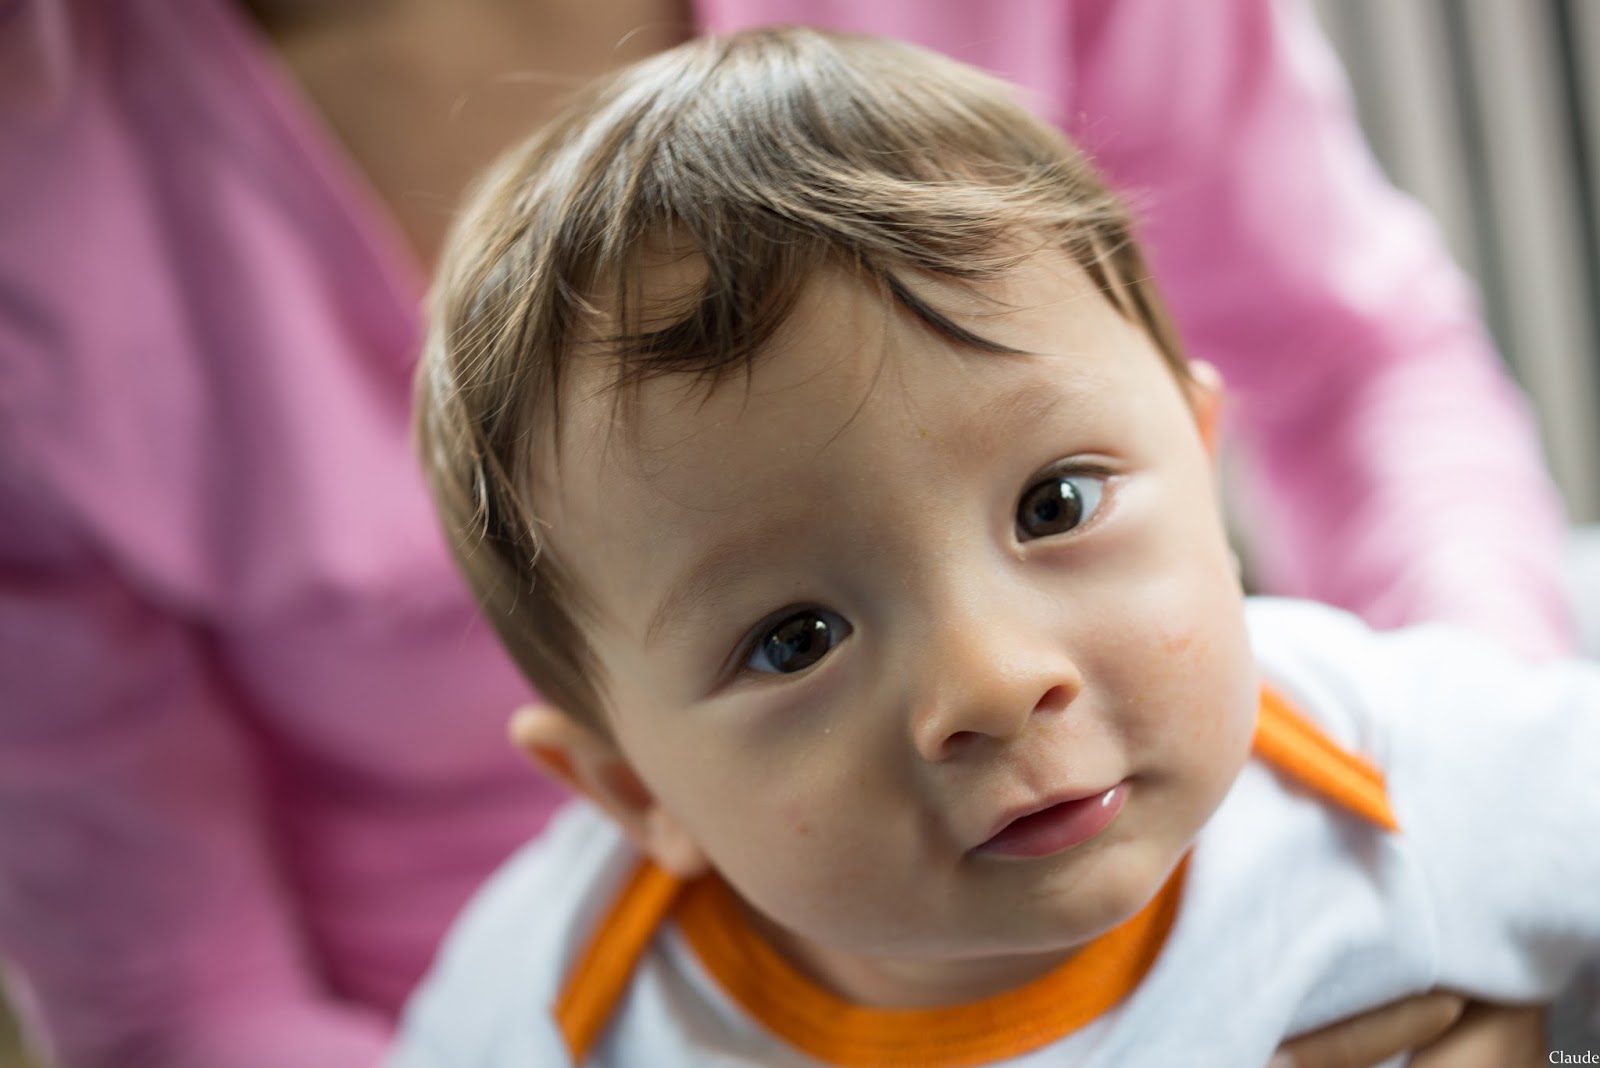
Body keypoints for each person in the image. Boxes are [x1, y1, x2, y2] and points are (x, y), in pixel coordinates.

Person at [0, 0, 1565, 1065]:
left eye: (1055, 505)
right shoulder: (544, 1003)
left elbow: (1364, 366)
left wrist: (1538, 1006)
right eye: (793, 637)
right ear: (622, 791)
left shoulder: (1411, 769)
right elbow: (180, 998)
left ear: (1194, 448)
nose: (992, 677)